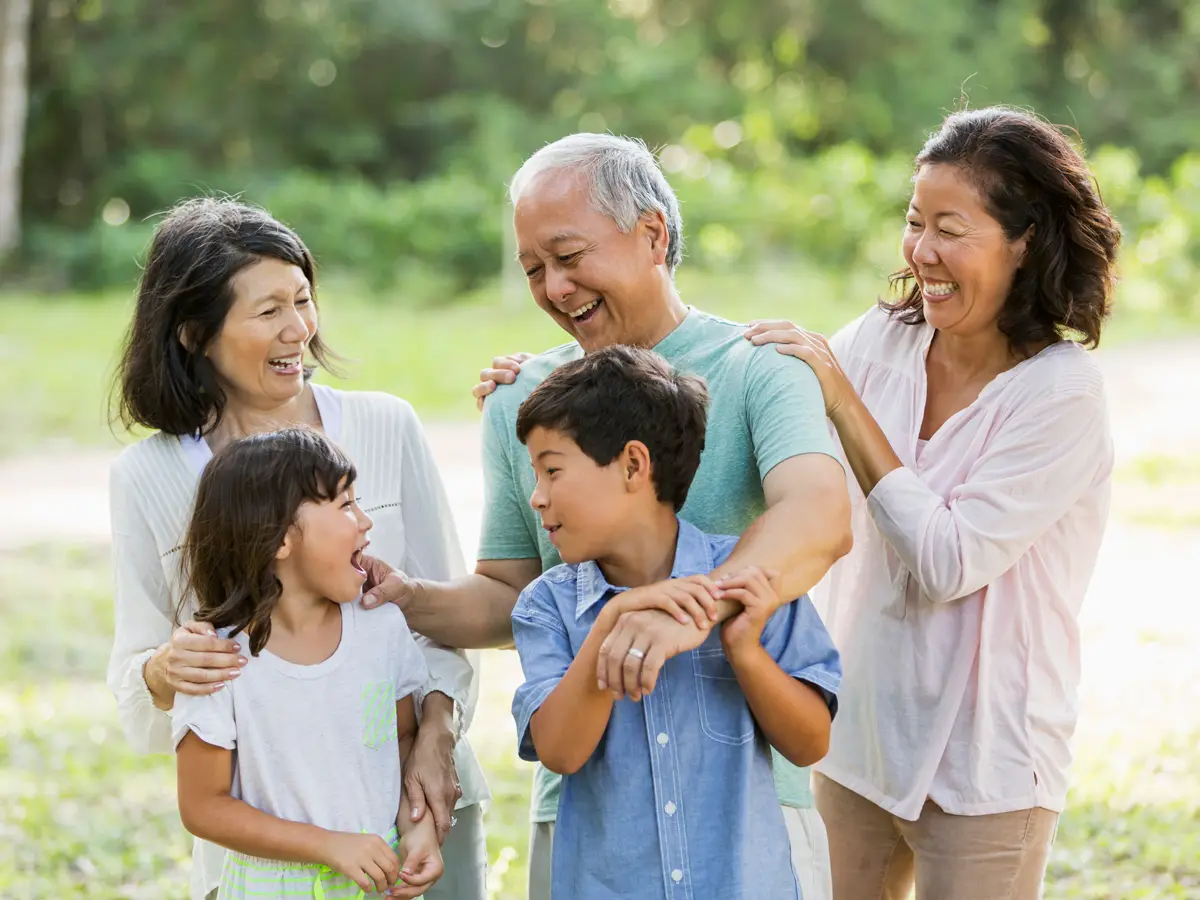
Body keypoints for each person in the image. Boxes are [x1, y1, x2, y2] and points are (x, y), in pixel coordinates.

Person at [363, 133, 852, 900]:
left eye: (568, 256)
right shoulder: (525, 401)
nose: (555, 288)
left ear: (653, 234)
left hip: (746, 804)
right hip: (594, 816)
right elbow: (509, 594)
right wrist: (406, 599)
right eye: (533, 269)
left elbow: (820, 516)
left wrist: (684, 613)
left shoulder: (761, 365)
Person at [738, 107, 1120, 898]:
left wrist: (843, 401)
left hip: (990, 764)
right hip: (862, 741)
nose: (921, 252)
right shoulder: (882, 341)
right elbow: (747, 410)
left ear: (1024, 240)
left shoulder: (1063, 394)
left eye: (951, 228)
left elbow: (949, 560)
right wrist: (550, 381)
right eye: (915, 223)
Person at [106, 198, 489, 900]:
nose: (299, 329)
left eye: (303, 300)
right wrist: (166, 671)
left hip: (420, 814)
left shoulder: (384, 425)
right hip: (264, 859)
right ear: (194, 333)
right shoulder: (148, 477)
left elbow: (440, 623)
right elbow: (139, 683)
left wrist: (436, 739)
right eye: (268, 311)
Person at [509, 346, 842, 899]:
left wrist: (745, 649)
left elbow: (810, 744)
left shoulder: (750, 585)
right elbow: (561, 753)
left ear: (633, 466)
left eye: (551, 471)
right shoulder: (548, 607)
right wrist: (612, 619)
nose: (537, 498)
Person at [174, 428, 442, 899]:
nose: (365, 521)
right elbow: (202, 806)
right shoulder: (217, 660)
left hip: (377, 884)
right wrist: (328, 846)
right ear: (278, 537)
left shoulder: (381, 629)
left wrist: (418, 830)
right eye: (344, 505)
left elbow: (401, 741)